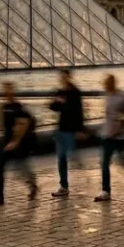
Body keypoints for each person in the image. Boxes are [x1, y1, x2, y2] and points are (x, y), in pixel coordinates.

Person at [0, 82, 37, 207]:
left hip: (18, 143)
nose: (6, 93)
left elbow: (23, 124)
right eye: (4, 90)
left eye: (8, 90)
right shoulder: (4, 107)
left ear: (12, 92)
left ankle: (32, 184)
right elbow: (2, 124)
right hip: (6, 142)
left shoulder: (18, 108)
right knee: (0, 167)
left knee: (21, 167)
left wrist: (15, 142)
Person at [95, 75, 124, 202]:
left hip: (121, 135)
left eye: (107, 83)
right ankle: (106, 191)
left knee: (122, 161)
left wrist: (121, 121)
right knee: (104, 162)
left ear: (112, 83)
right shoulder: (107, 96)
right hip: (108, 134)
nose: (105, 86)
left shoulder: (122, 96)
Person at [49, 69, 84, 198]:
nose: (62, 79)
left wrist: (80, 129)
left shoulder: (75, 92)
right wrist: (57, 101)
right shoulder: (60, 92)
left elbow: (78, 110)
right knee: (61, 158)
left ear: (69, 77)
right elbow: (52, 107)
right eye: (61, 77)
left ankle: (78, 165)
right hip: (61, 128)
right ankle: (64, 186)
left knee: (69, 156)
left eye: (64, 77)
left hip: (70, 128)